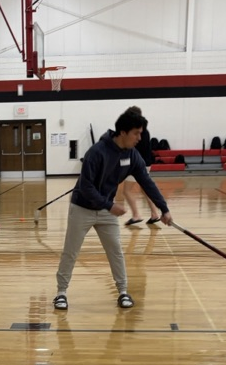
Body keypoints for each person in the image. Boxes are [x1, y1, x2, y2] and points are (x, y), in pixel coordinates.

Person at [54, 109, 173, 310]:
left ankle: (123, 291)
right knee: (71, 252)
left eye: (141, 133)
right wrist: (109, 205)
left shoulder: (132, 155)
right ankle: (61, 293)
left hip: (106, 211)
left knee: (115, 251)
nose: (139, 138)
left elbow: (146, 182)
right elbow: (86, 187)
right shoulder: (97, 152)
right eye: (136, 133)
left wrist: (164, 209)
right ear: (123, 132)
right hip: (83, 208)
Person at [116, 106, 161, 226]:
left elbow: (131, 149)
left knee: (126, 191)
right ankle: (154, 213)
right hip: (146, 163)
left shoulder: (135, 132)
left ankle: (136, 215)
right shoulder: (145, 130)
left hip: (137, 165)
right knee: (145, 188)